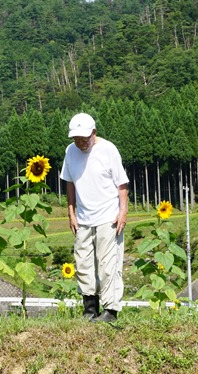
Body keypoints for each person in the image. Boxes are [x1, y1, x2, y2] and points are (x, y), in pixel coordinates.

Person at [60, 113, 129, 323]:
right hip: (82, 218)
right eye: (76, 139)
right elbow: (69, 182)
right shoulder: (70, 151)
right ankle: (90, 310)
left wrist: (123, 212)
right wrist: (71, 212)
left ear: (94, 132)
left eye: (83, 138)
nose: (80, 143)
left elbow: (122, 184)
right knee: (83, 264)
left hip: (108, 217)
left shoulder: (108, 149)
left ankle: (110, 311)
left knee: (108, 265)